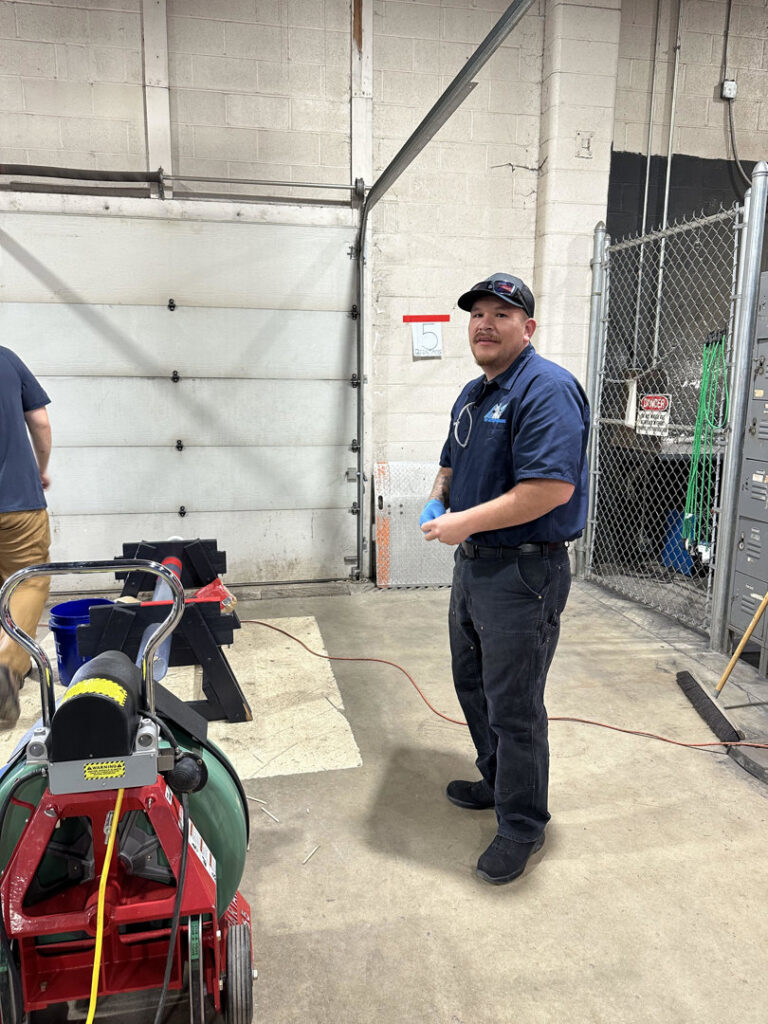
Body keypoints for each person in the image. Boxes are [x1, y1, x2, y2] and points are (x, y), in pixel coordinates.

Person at [420, 273, 589, 885]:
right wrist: (439, 498)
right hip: (476, 567)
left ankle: (522, 824)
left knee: (515, 706)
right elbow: (450, 458)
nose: (484, 324)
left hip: (524, 570)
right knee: (474, 685)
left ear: (528, 327)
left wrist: (462, 521)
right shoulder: (474, 391)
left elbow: (549, 489)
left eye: (501, 314)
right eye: (476, 314)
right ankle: (496, 781)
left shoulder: (546, 390)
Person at [0, 347, 52, 726]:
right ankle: (6, 665)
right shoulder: (5, 358)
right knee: (29, 580)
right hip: (17, 499)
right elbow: (40, 421)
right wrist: (42, 468)